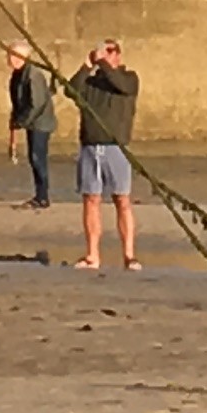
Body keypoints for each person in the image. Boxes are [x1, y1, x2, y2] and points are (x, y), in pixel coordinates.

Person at [64, 38, 143, 271]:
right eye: (103, 51)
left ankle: (129, 255)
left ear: (118, 54)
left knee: (122, 200)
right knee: (91, 199)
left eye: (110, 51)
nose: (105, 55)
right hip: (90, 146)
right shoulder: (91, 83)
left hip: (116, 147)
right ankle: (92, 255)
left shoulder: (129, 79)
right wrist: (87, 65)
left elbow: (120, 84)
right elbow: (70, 90)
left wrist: (105, 63)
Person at [5, 42, 60, 209]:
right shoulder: (18, 74)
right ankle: (40, 194)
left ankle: (42, 197)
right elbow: (18, 101)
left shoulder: (33, 74)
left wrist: (22, 121)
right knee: (34, 158)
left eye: (15, 56)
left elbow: (37, 104)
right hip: (32, 122)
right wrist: (15, 119)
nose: (11, 59)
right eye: (10, 55)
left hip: (41, 123)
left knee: (37, 158)